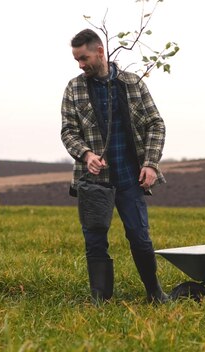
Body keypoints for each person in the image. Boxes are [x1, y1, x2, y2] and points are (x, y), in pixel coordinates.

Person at [60, 29, 169, 303]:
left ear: (100, 51)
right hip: (93, 181)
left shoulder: (133, 83)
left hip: (130, 178)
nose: (80, 64)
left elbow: (156, 123)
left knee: (140, 237)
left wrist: (151, 164)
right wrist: (86, 154)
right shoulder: (73, 88)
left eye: (83, 58)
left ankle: (154, 293)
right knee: (95, 240)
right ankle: (100, 299)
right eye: (76, 60)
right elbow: (68, 132)